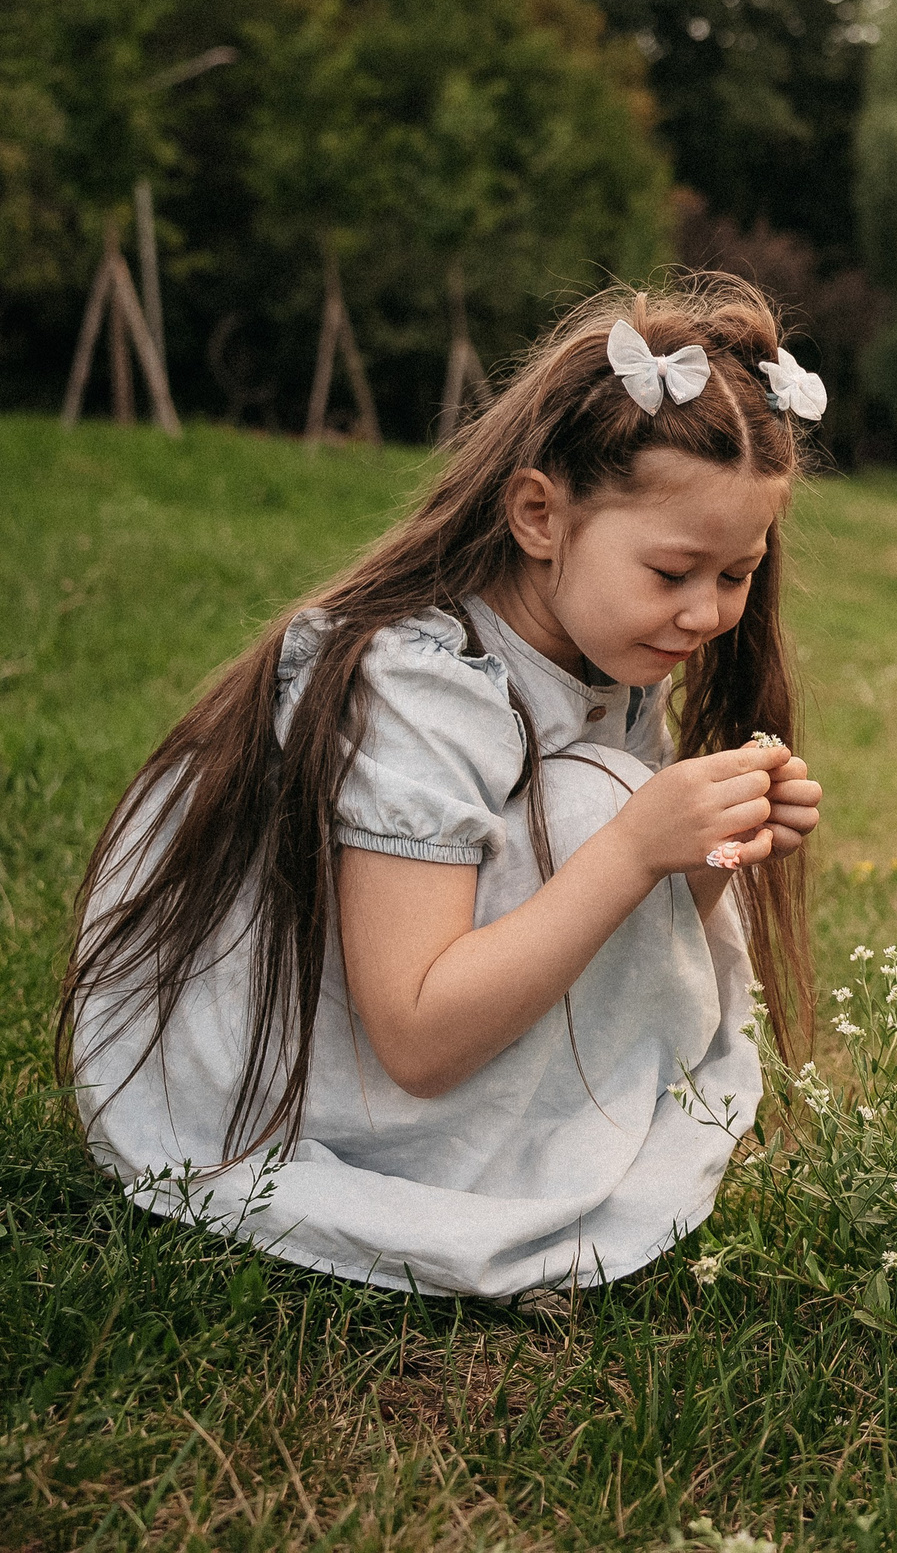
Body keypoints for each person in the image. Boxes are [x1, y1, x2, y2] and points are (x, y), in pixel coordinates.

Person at [57, 275, 832, 1299]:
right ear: (539, 515)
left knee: (605, 802)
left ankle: (530, 1142)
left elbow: (632, 946)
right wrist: (636, 841)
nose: (705, 614)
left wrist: (717, 846)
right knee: (604, 805)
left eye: (735, 576)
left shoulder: (615, 650)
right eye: (673, 571)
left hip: (428, 1020)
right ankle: (479, 1166)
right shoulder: (421, 690)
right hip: (286, 1060)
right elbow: (417, 1037)